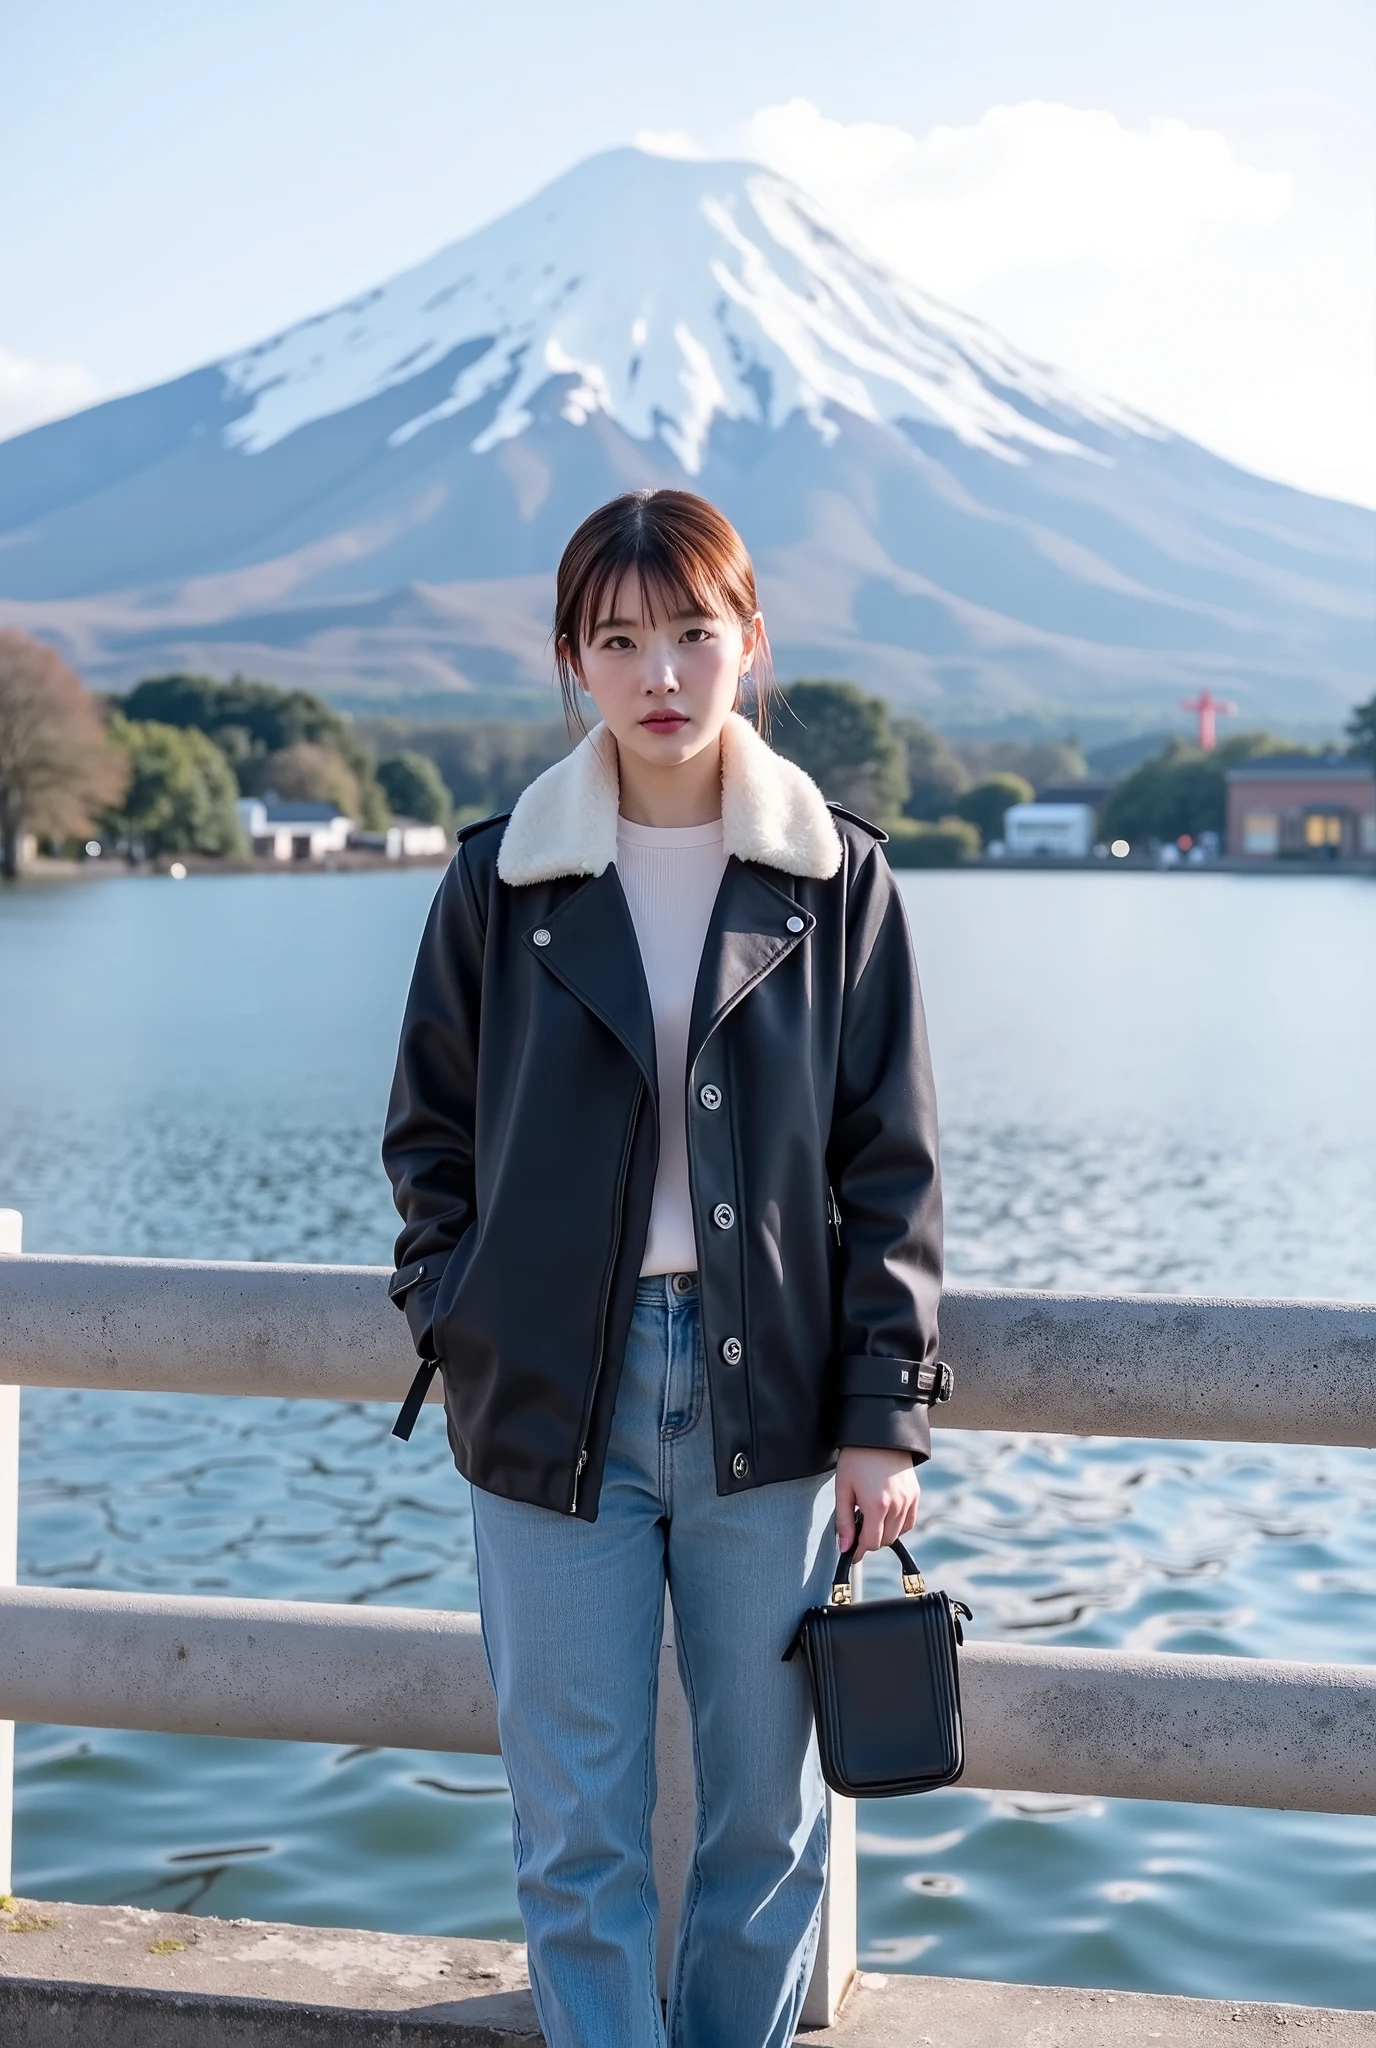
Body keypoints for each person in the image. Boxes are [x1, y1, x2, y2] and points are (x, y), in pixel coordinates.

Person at [382, 488, 944, 2048]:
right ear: (573, 664)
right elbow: (427, 1142)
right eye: (619, 639)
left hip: (771, 1412)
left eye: (695, 632)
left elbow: (891, 1167)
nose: (663, 673)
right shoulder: (502, 882)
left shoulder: (836, 881)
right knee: (579, 1841)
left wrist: (883, 1413)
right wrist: (465, 1314)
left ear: (751, 642)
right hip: (549, 1402)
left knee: (765, 1837)